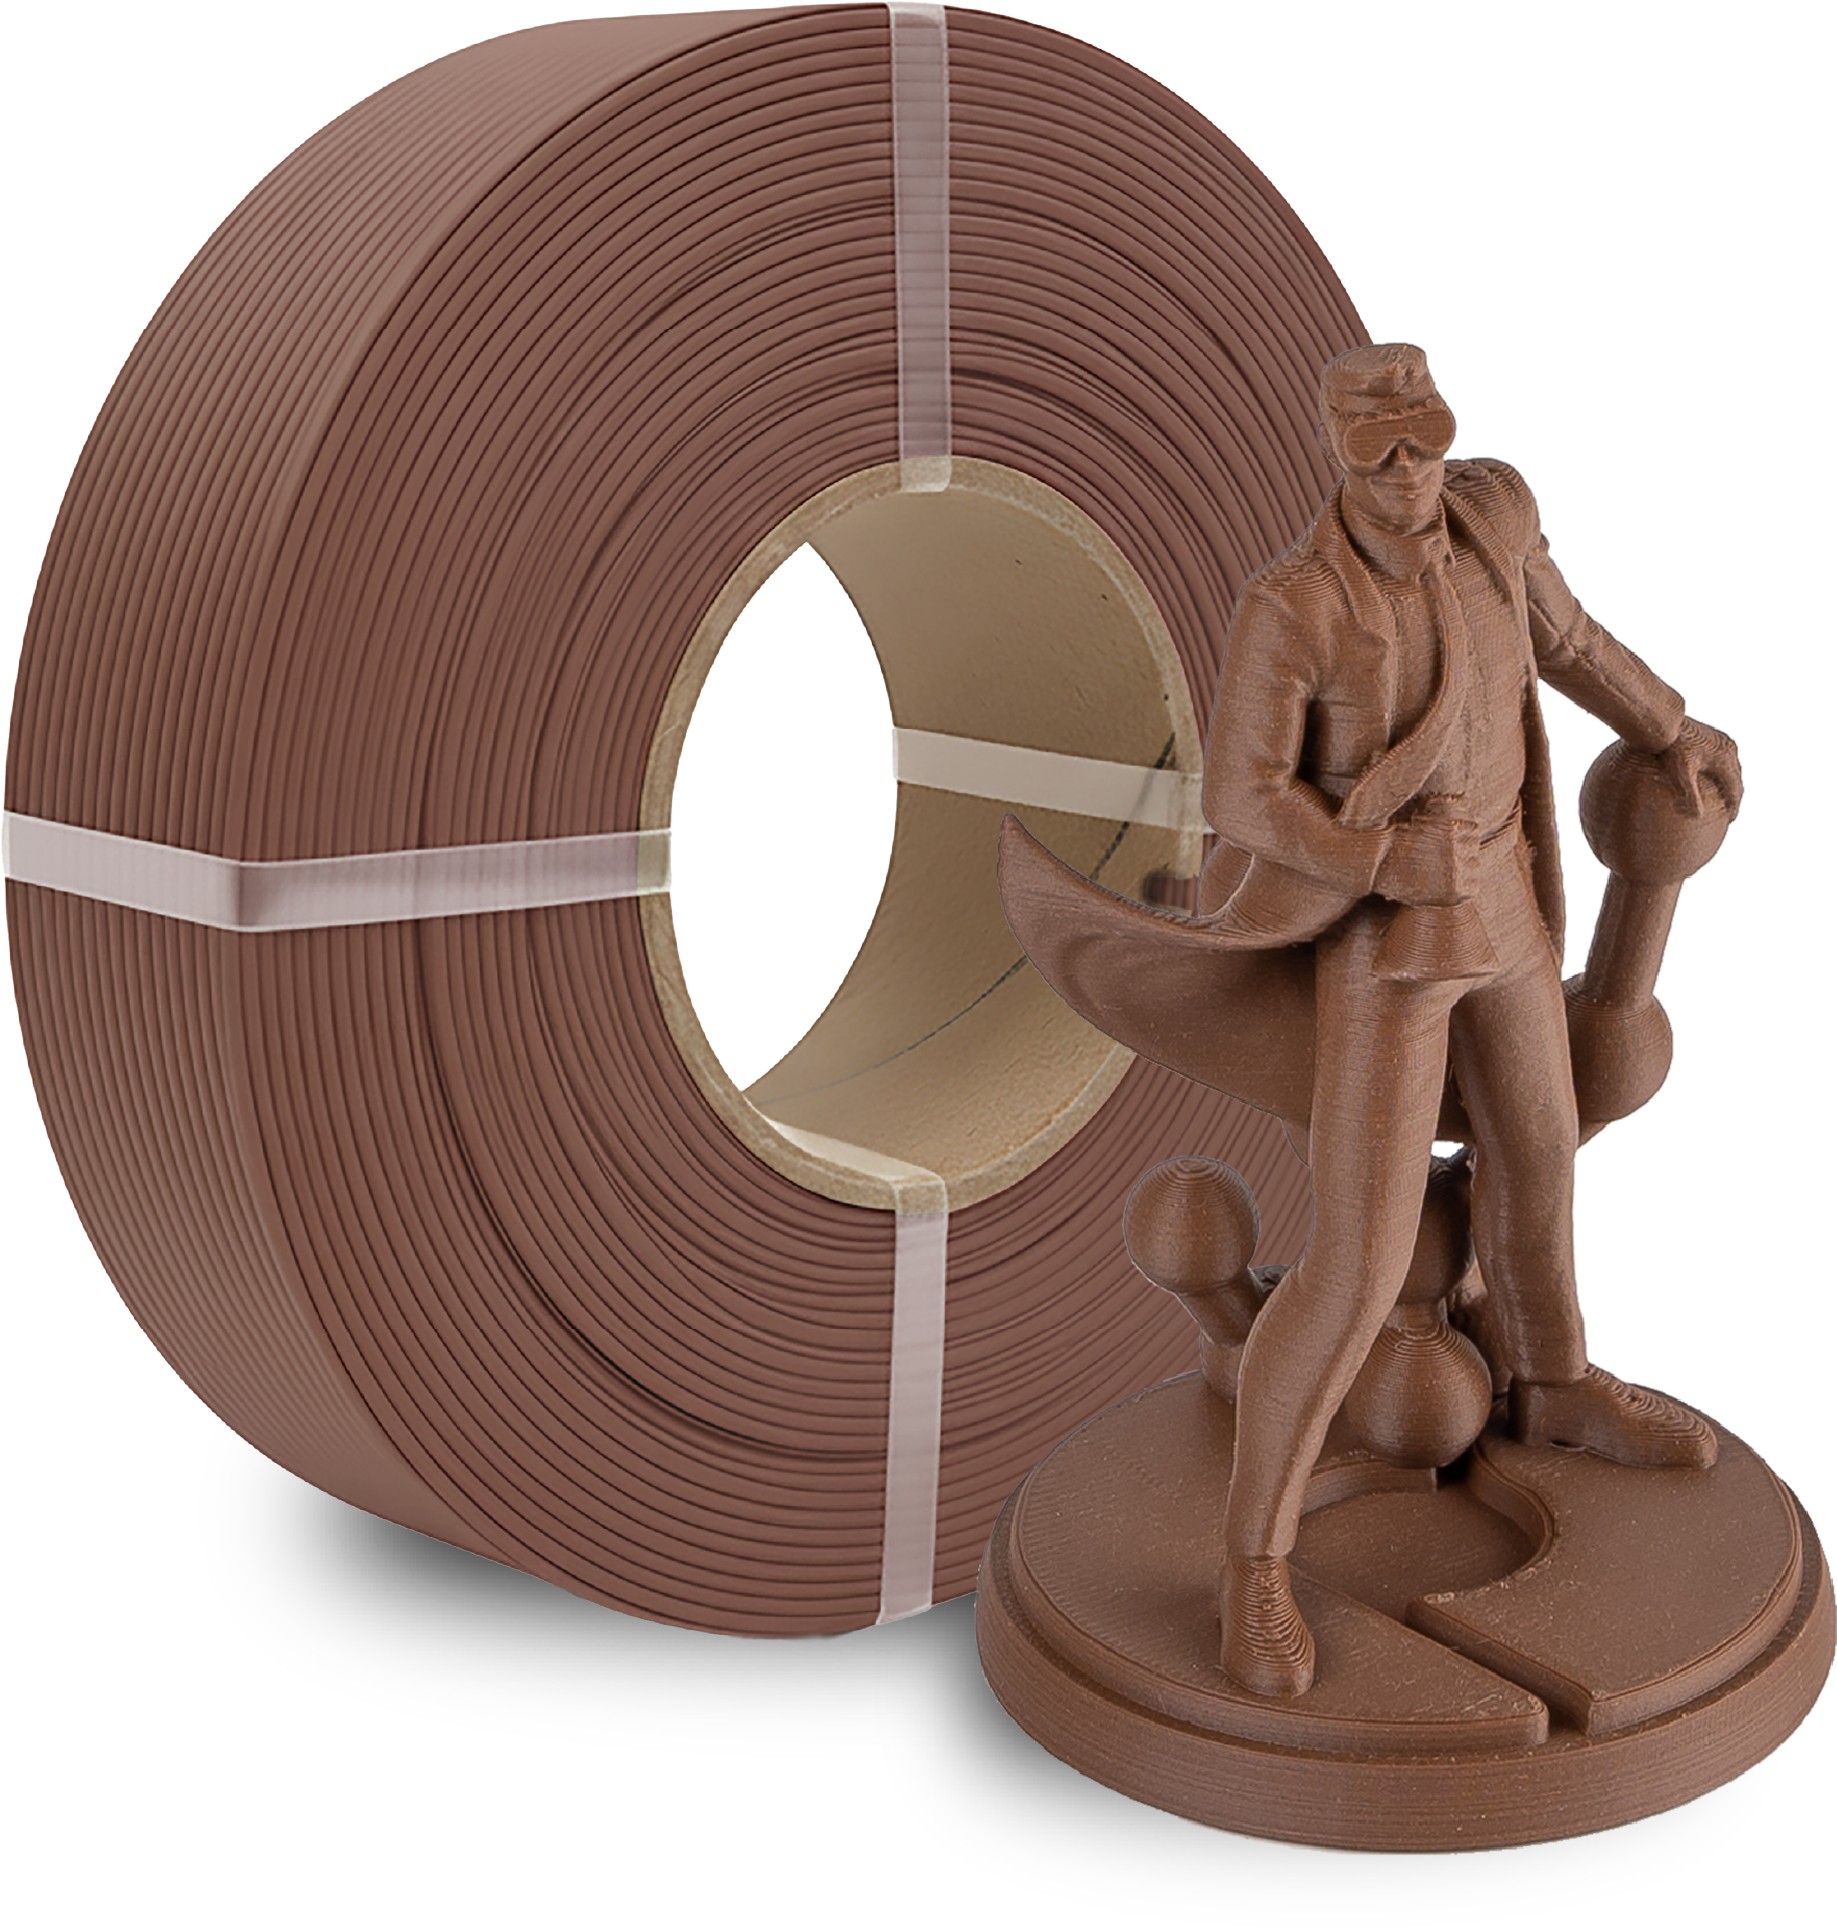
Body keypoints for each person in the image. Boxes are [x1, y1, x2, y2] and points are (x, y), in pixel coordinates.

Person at [1201, 342, 1744, 1698]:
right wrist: (1378, 859)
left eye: (1423, 443)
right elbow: (1242, 795)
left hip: (1501, 895)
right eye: (1379, 453)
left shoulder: (1493, 515)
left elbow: (1568, 639)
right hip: (1386, 936)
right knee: (1359, 1260)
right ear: (1338, 455)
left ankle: (1554, 1386)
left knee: (1541, 1154)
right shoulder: (1295, 605)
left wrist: (1671, 725)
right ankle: (1254, 1566)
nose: (1407, 474)